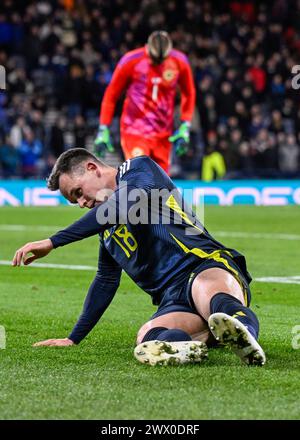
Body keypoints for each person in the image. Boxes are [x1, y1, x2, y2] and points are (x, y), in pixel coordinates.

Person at [12, 148, 266, 367]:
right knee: (148, 336)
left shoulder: (138, 169)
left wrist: (53, 241)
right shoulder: (108, 231)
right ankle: (190, 347)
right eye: (74, 200)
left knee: (205, 289)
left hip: (204, 265)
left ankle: (245, 334)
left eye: (78, 192)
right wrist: (73, 338)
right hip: (173, 299)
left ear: (92, 168)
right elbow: (105, 281)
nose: (80, 203)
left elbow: (121, 206)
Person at [94, 30, 196, 174]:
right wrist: (103, 128)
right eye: (154, 58)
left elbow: (189, 92)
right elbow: (111, 94)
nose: (158, 63)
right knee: (141, 177)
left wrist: (186, 124)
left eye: (162, 60)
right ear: (148, 48)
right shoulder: (131, 60)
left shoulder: (180, 62)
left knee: (161, 185)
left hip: (163, 133)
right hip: (134, 130)